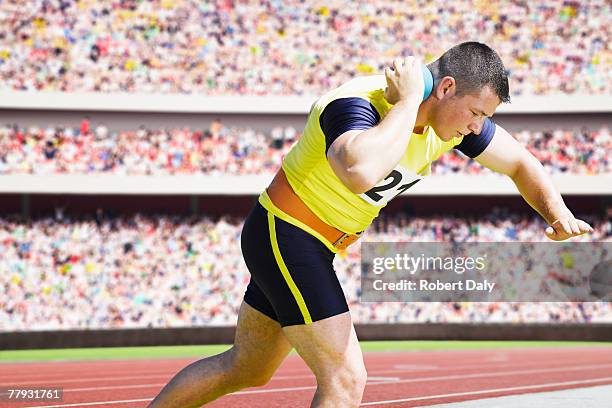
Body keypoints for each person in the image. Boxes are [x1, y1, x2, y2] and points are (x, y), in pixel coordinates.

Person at [147, 42, 593, 408]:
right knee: (346, 379)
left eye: (485, 118)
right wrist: (405, 104)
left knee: (247, 368)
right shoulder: (357, 102)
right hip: (287, 232)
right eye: (476, 112)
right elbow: (359, 171)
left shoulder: (449, 123)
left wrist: (558, 214)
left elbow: (519, 162)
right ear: (447, 88)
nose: (478, 127)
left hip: (312, 245)